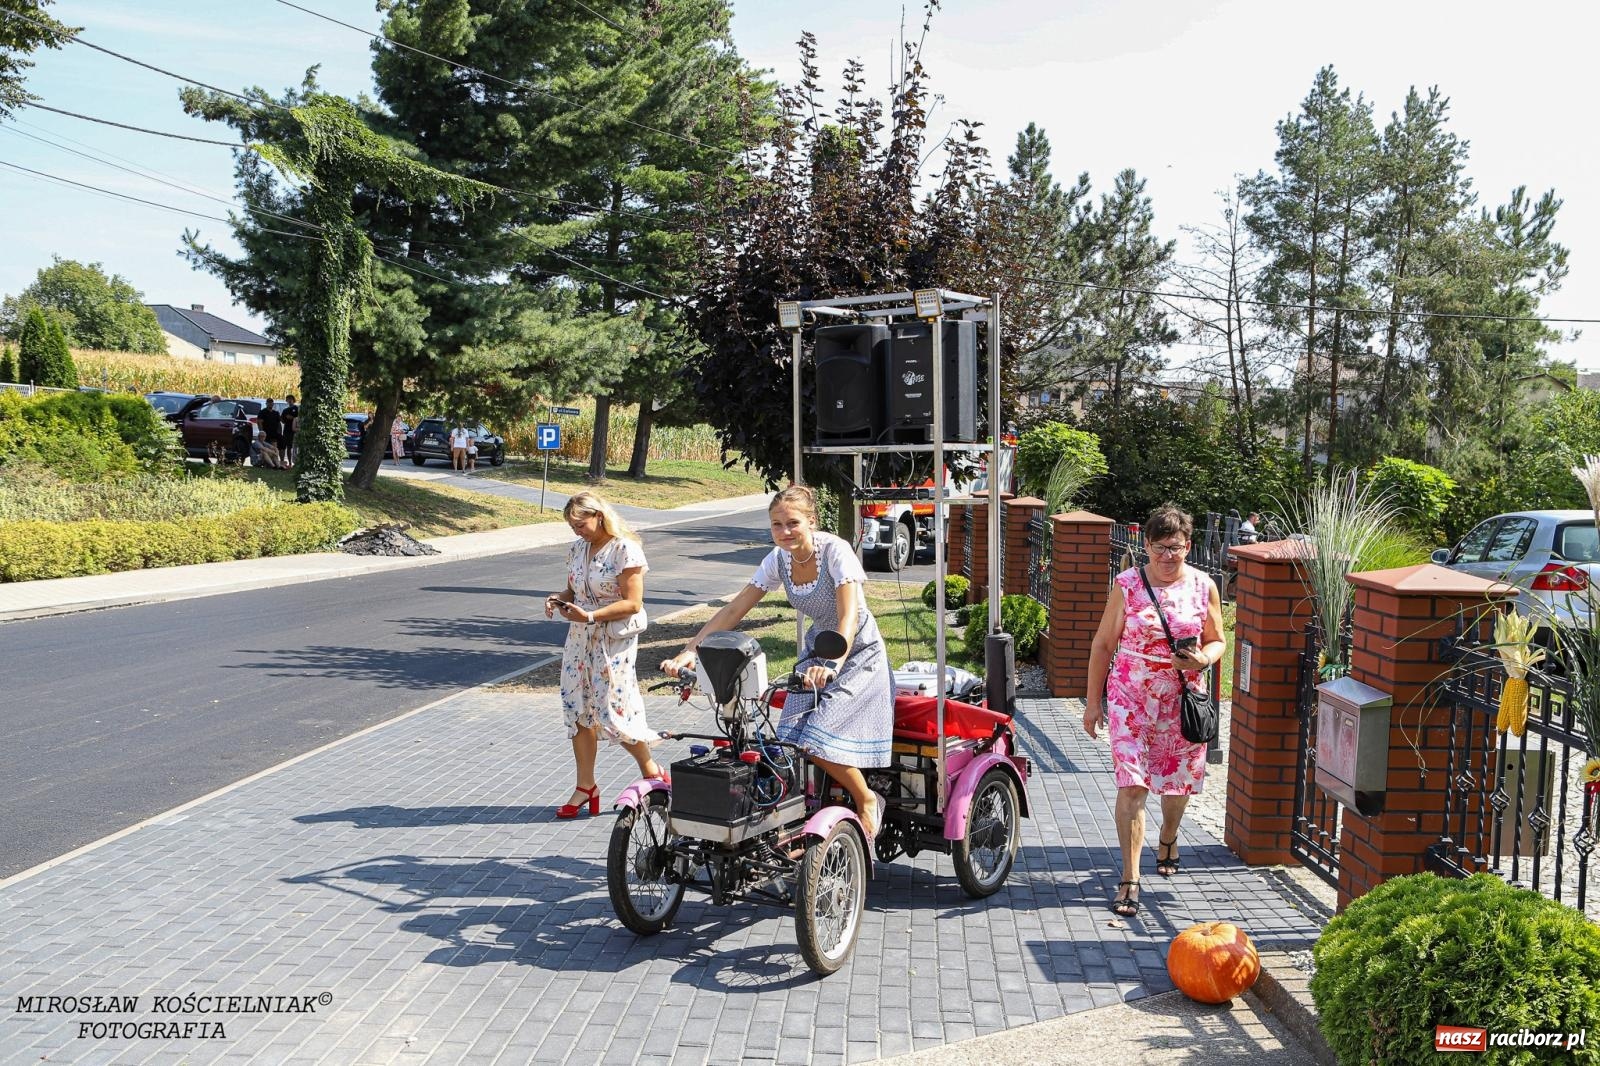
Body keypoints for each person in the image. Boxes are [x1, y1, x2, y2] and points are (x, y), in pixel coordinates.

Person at [661, 484, 895, 838]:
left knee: (814, 741)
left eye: (793, 523)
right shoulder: (777, 560)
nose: (785, 532)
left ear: (811, 521)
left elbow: (848, 615)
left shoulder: (835, 551)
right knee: (785, 742)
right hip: (819, 649)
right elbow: (735, 608)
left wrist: (832, 663)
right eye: (776, 525)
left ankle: (866, 800)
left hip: (856, 650)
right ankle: (798, 817)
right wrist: (692, 650)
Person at [1084, 503, 1227, 918]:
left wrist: (1203, 659)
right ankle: (1130, 878)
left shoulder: (1204, 586)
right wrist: (1094, 704)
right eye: (1161, 547)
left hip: (1180, 701)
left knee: (1176, 785)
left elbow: (1219, 640)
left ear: (1189, 546)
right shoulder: (1127, 584)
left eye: (1177, 547)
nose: (1168, 556)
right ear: (1146, 545)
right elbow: (1102, 645)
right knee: (1132, 786)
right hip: (1130, 701)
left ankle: (1168, 835)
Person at [547, 491, 665, 817]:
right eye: (572, 526)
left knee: (613, 710)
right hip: (578, 643)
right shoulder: (577, 549)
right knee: (577, 708)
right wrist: (558, 599)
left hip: (612, 641)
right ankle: (586, 786)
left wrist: (589, 615)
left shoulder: (625, 549)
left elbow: (633, 603)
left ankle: (651, 769)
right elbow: (575, 589)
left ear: (599, 516)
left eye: (580, 524)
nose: (577, 531)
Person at [259, 399, 288, 469]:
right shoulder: (263, 412)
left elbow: (280, 423)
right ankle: (272, 463)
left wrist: (280, 433)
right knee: (272, 446)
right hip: (267, 433)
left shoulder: (276, 413)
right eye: (269, 403)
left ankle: (281, 461)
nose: (270, 404)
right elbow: (259, 422)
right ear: (266, 404)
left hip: (275, 432)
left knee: (283, 442)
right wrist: (262, 432)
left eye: (271, 403)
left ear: (273, 404)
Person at [280, 394, 298, 466]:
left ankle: (295, 462)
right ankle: (289, 462)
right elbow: (282, 420)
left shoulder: (296, 408)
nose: (289, 400)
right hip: (287, 430)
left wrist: (293, 418)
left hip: (295, 430)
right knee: (287, 446)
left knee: (295, 447)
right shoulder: (285, 410)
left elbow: (298, 417)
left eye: (291, 399)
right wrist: (282, 419)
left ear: (293, 400)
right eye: (288, 399)